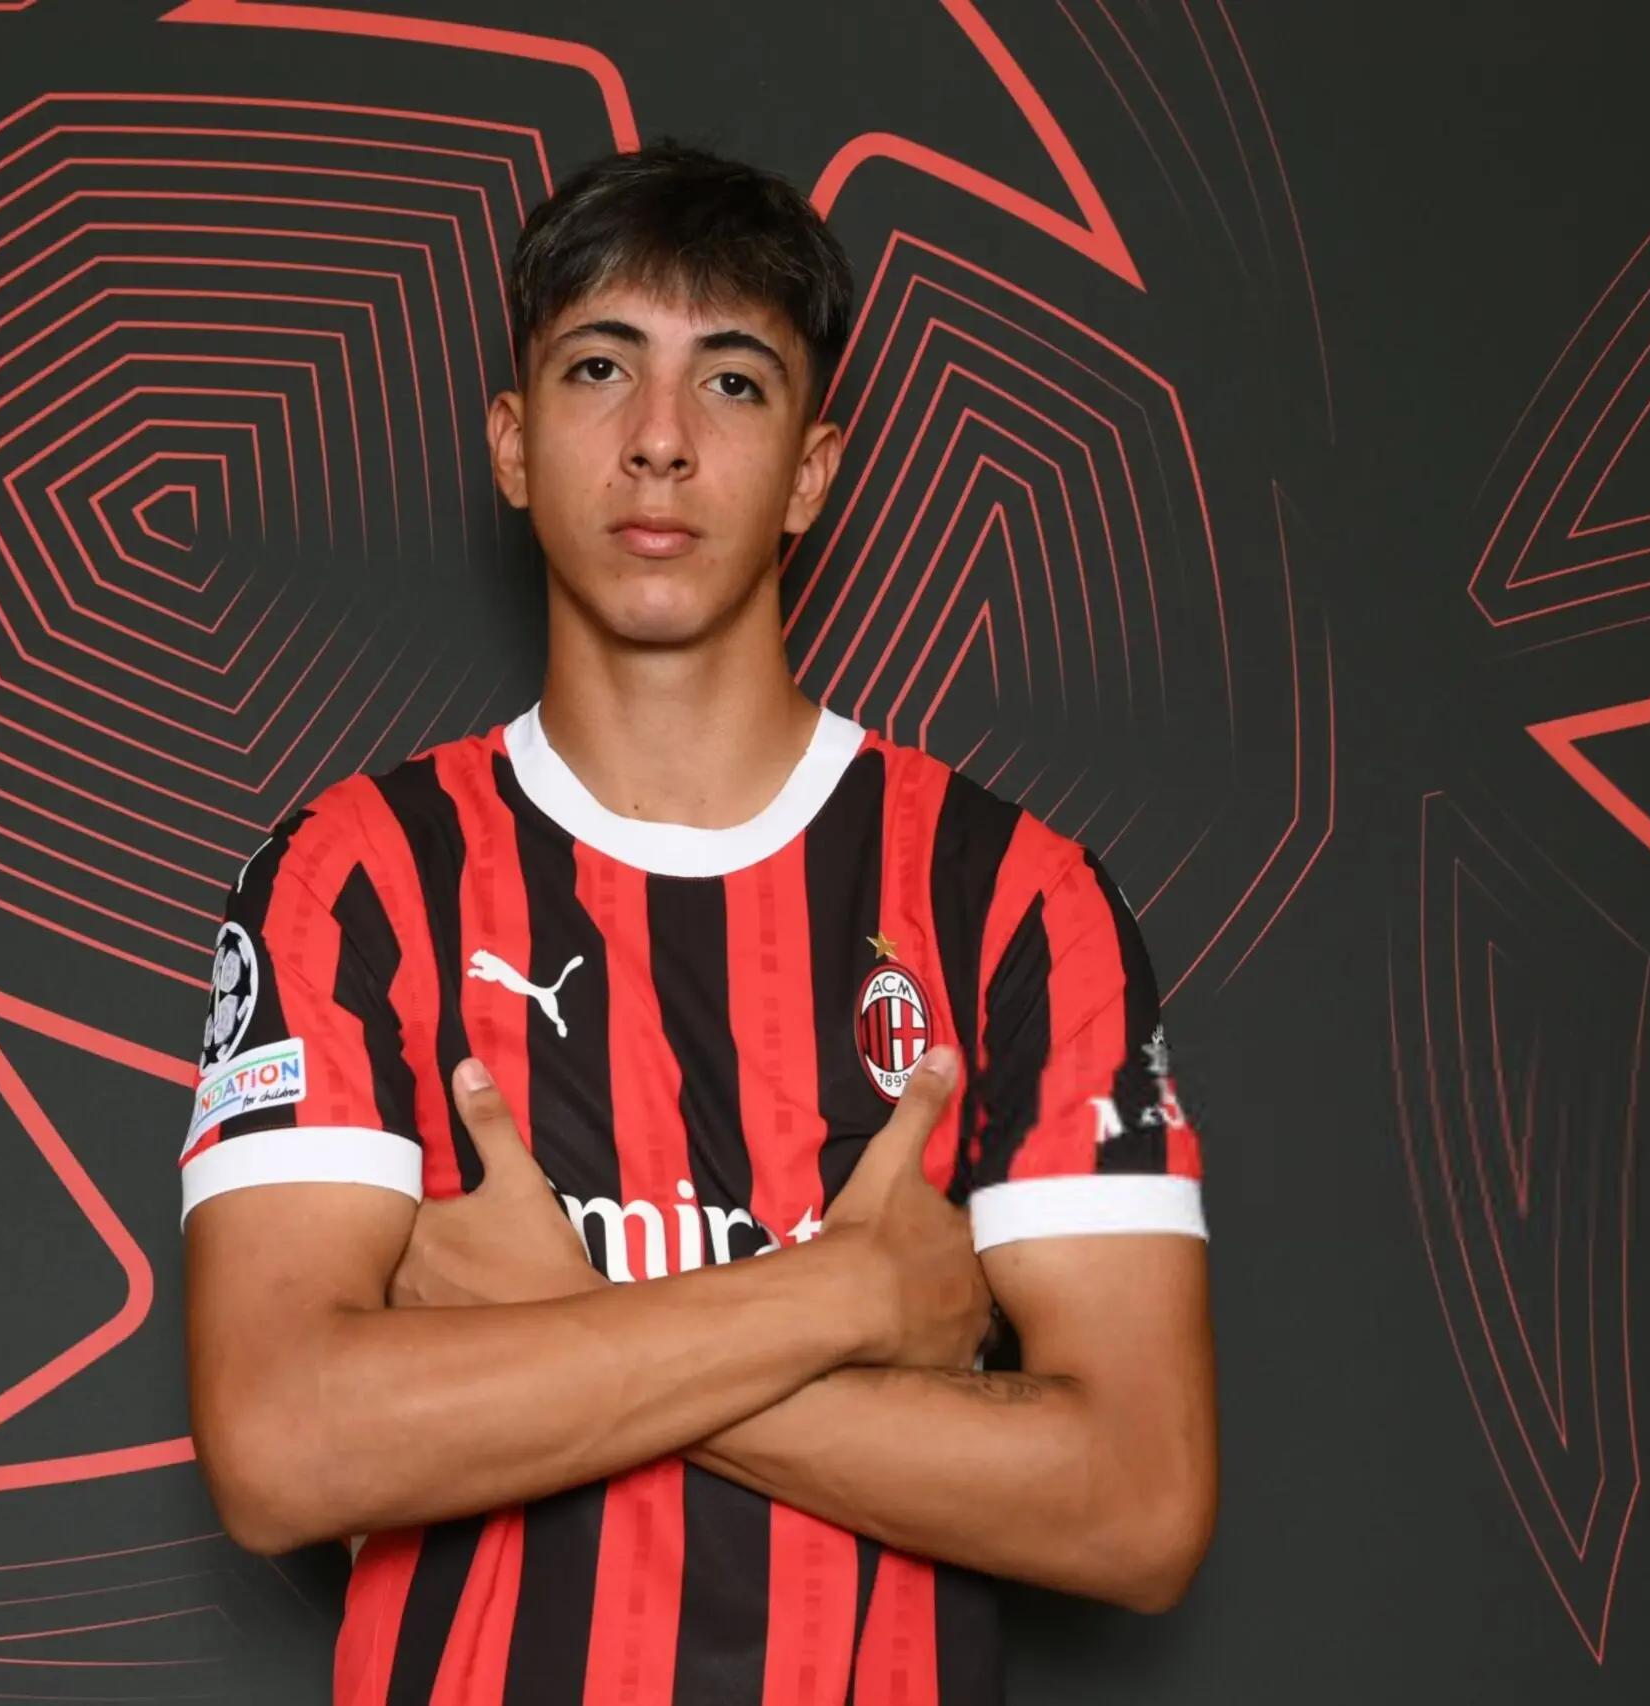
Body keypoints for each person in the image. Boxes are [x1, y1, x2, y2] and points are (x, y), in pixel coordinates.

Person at [179, 138, 1216, 1705]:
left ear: (812, 469)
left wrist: (556, 1335)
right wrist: (847, 1297)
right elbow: (281, 1446)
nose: (659, 440)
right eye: (601, 368)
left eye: (732, 382)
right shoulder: (353, 875)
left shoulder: (1015, 898)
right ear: (513, 444)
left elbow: (1137, 1498)